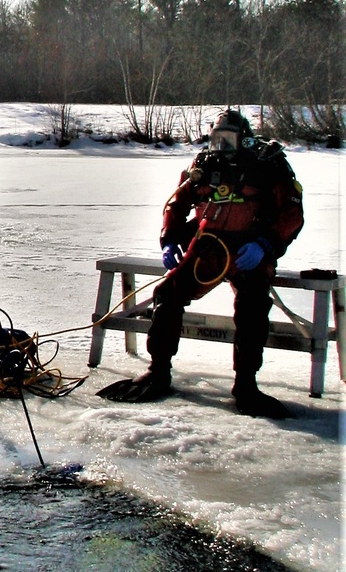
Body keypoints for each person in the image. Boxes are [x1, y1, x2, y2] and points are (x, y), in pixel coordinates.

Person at [98, 109, 304, 418]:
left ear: (244, 138)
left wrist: (266, 245)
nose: (221, 146)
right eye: (216, 138)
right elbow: (176, 203)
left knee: (253, 304)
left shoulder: (266, 164)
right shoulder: (204, 165)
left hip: (249, 248)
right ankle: (159, 371)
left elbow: (292, 214)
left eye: (229, 139)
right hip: (209, 246)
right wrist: (168, 238)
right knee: (168, 293)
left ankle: (246, 385)